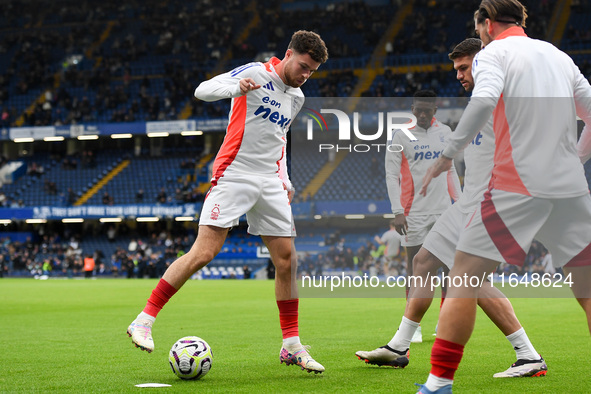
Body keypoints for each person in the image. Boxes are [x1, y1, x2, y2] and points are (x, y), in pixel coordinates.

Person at [126, 30, 329, 374]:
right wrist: (236, 88)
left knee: (286, 260)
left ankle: (291, 345)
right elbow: (202, 90)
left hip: (269, 180)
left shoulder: (296, 97)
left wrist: (285, 179)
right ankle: (144, 320)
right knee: (204, 253)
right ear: (289, 54)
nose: (305, 75)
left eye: (312, 71)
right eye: (304, 66)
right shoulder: (254, 72)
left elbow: (279, 140)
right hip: (234, 173)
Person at [417, 1, 591, 392]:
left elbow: (483, 101)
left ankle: (437, 384)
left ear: (487, 23)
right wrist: (574, 159)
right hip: (571, 189)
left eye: (478, 28)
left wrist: (448, 155)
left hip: (517, 185)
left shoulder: (493, 53)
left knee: (463, 277)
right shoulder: (560, 57)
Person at [356, 38, 545, 378]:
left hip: (490, 202)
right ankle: (399, 346)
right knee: (425, 263)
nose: (458, 74)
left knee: (467, 279)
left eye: (463, 67)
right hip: (471, 202)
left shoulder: (503, 98)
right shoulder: (480, 102)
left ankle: (527, 354)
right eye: (456, 68)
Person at [385, 89, 462, 342]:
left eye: (427, 110)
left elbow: (450, 171)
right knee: (415, 268)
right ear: (412, 108)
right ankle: (413, 324)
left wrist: (460, 203)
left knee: (450, 268)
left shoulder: (446, 133)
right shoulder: (400, 135)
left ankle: (445, 321)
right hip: (413, 212)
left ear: (435, 111)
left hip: (444, 210)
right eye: (418, 109)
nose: (422, 114)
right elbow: (391, 175)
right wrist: (397, 211)